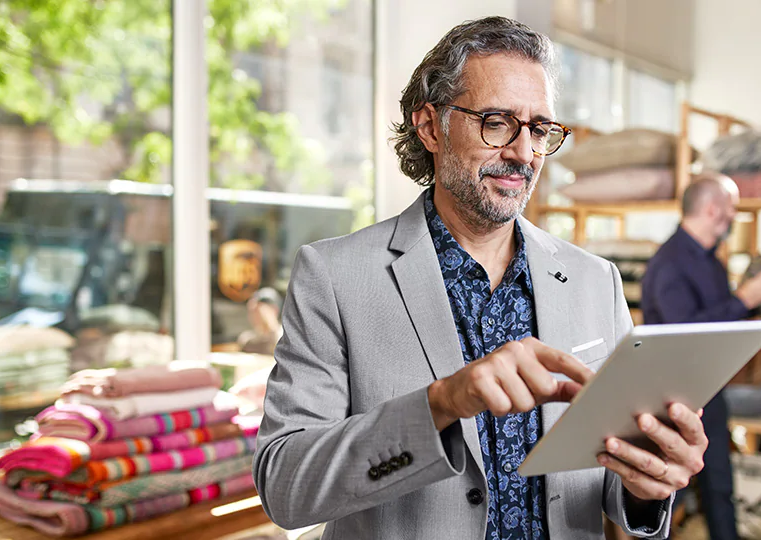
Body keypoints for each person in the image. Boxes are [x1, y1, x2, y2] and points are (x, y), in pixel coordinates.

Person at [253, 16, 707, 540]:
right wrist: (442, 404)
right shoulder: (335, 277)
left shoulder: (593, 280)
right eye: (497, 121)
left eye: (539, 129)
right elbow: (285, 486)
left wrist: (647, 484)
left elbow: (609, 475)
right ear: (431, 126)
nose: (522, 153)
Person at [641, 172, 761, 540]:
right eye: (733, 208)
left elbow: (724, 319)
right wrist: (744, 300)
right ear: (713, 210)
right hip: (672, 401)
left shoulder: (712, 262)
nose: (736, 216)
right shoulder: (668, 263)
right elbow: (684, 333)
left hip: (711, 392)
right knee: (670, 495)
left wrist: (758, 308)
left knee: (720, 486)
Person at [236, 287, 284, 355]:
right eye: (253, 311)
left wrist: (270, 323)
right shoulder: (248, 339)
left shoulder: (285, 337)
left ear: (275, 310)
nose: (255, 315)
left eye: (258, 310)